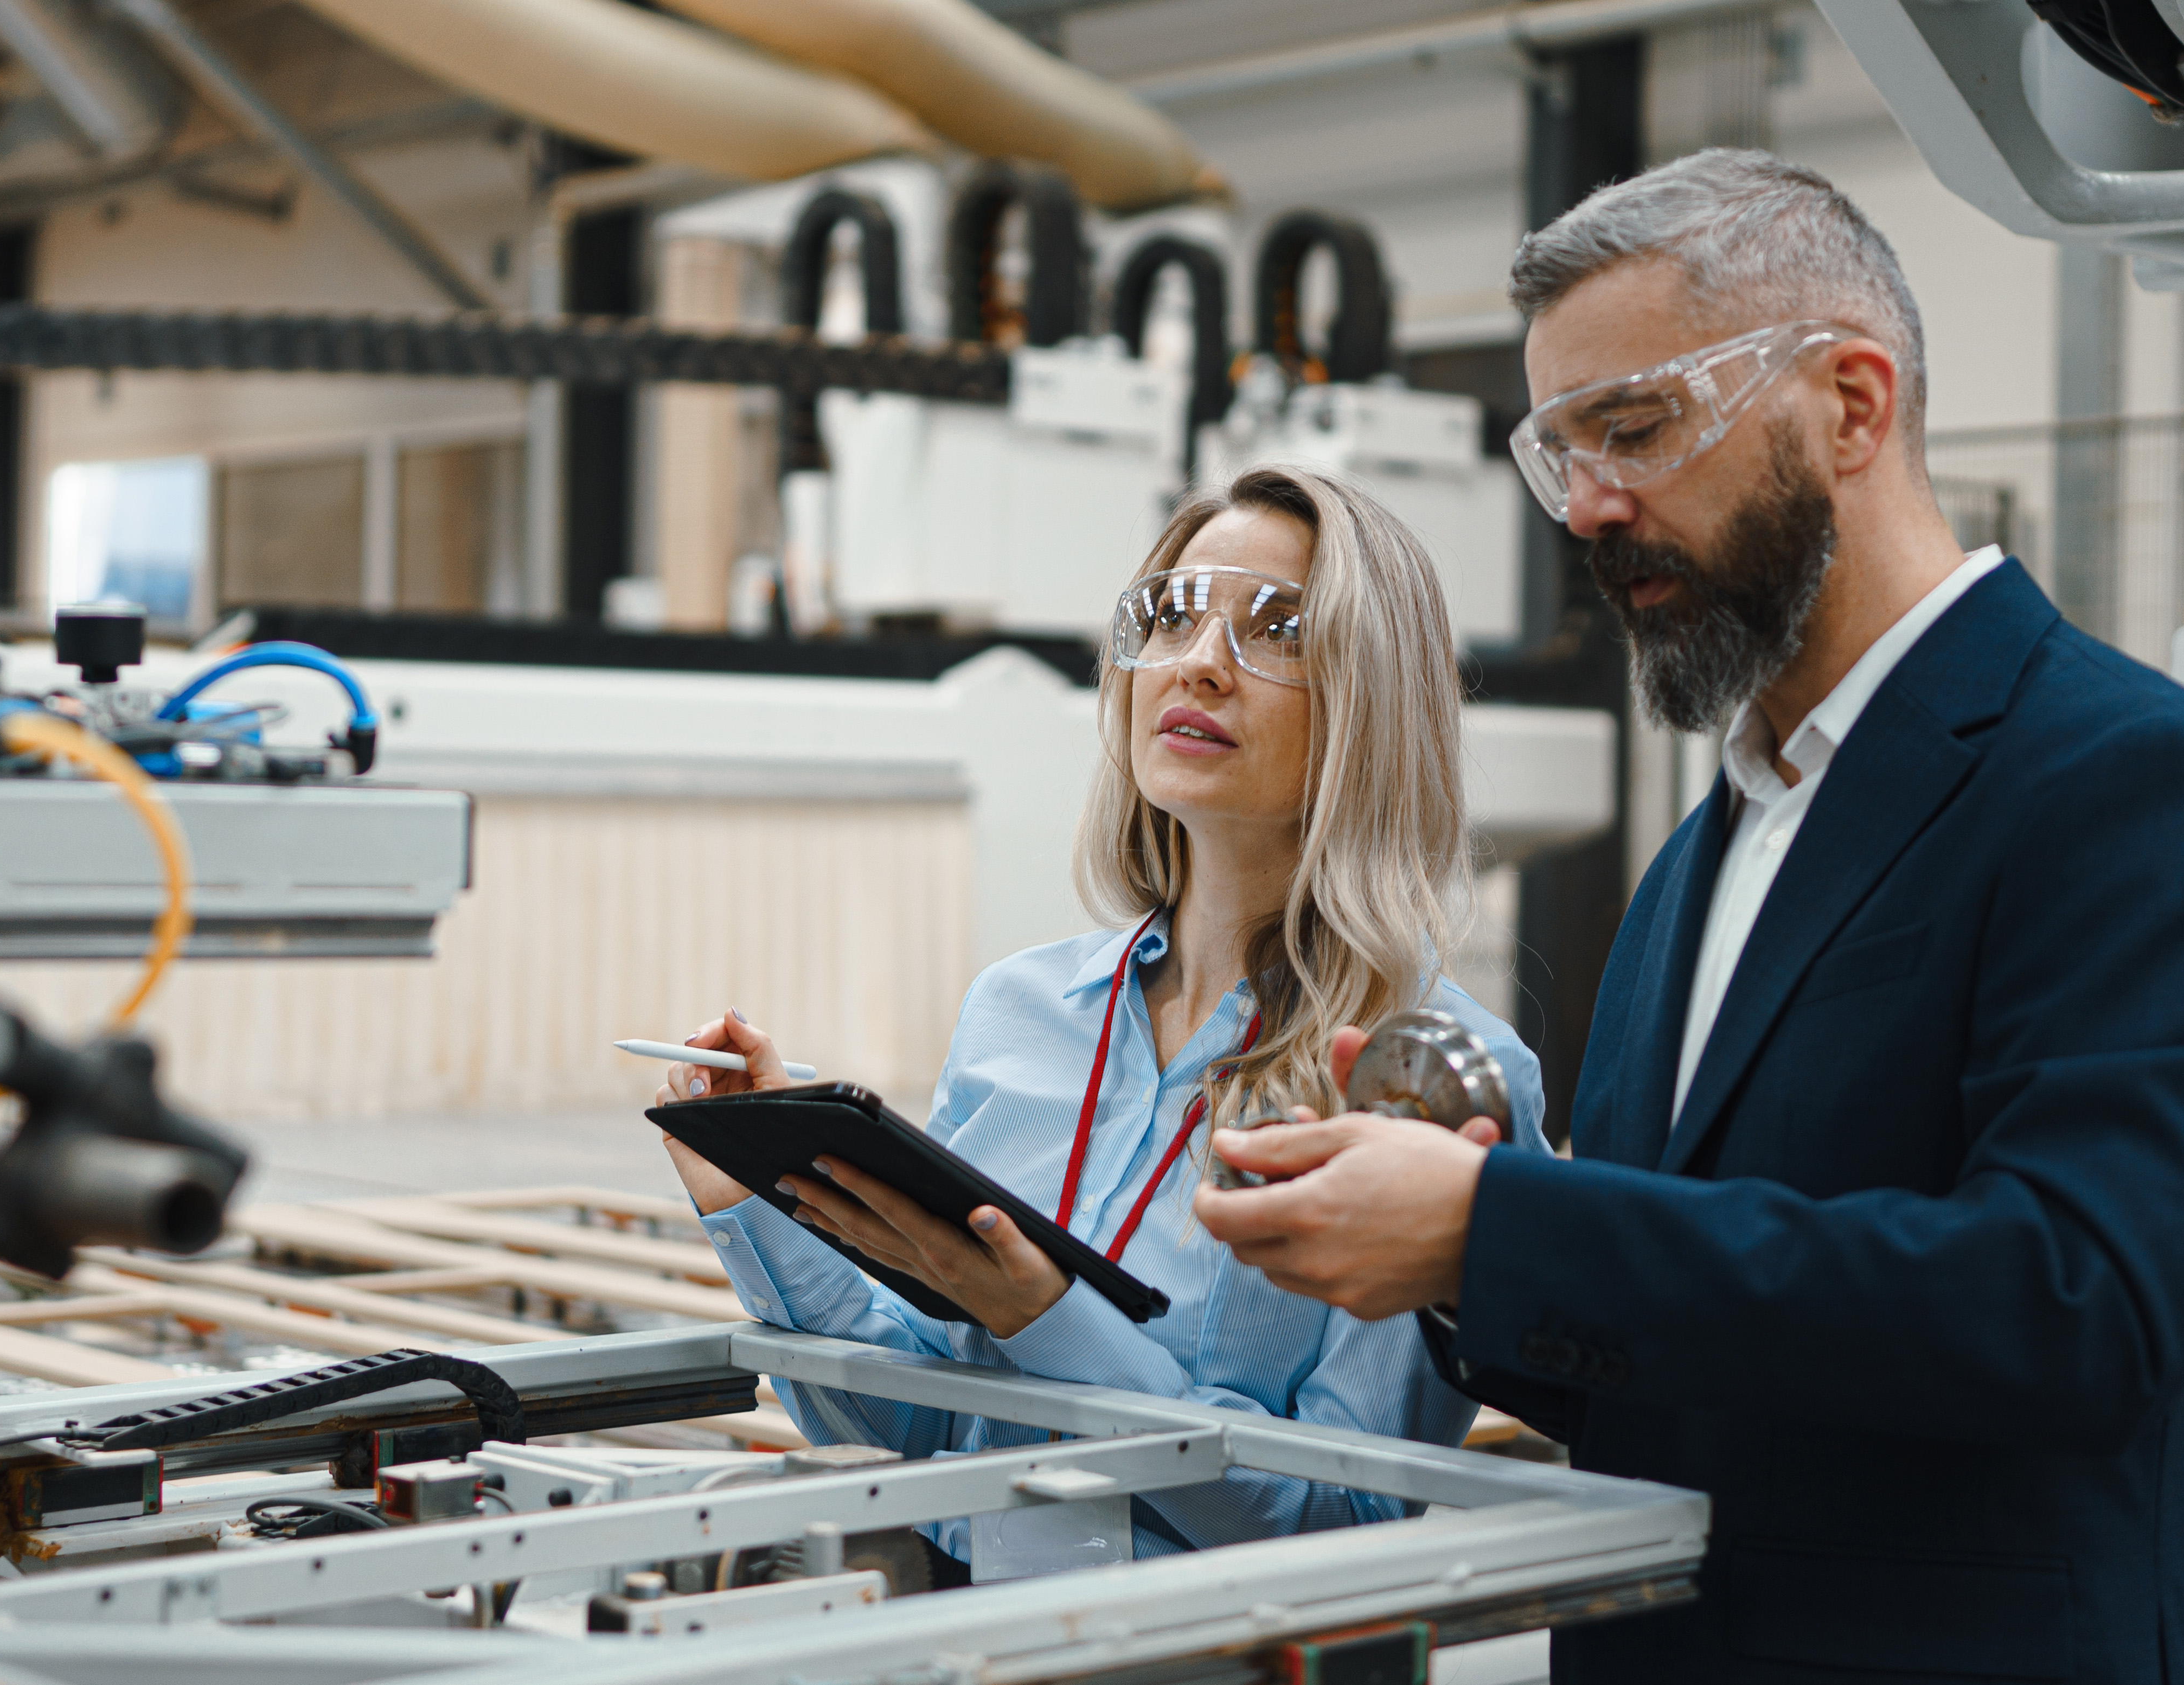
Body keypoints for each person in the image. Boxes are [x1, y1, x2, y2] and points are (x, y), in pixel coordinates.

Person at [1194, 149, 2184, 1684]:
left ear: (1852, 405)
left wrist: (1503, 1224)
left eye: (1636, 429)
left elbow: (2078, 1306)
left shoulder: (2132, 783)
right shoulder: (1707, 853)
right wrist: (1461, 1263)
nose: (1589, 509)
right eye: (1561, 453)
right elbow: (1682, 1362)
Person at [656, 463, 1547, 1577]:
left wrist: (1050, 1318)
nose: (1201, 662)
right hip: (967, 1634)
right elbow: (916, 1430)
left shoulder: (1425, 1080)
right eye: (1171, 615)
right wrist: (758, 1198)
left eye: (1275, 627)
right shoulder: (1018, 1014)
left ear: (1372, 697)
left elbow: (1343, 1525)